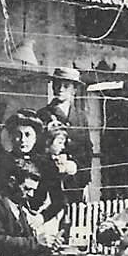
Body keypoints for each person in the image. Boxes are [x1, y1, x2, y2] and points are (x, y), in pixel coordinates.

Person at [35, 65, 91, 214]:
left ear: (74, 90)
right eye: (57, 84)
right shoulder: (42, 115)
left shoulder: (81, 117)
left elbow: (87, 150)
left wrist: (77, 167)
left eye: (66, 86)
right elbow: (36, 152)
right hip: (51, 183)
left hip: (75, 184)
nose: (60, 88)